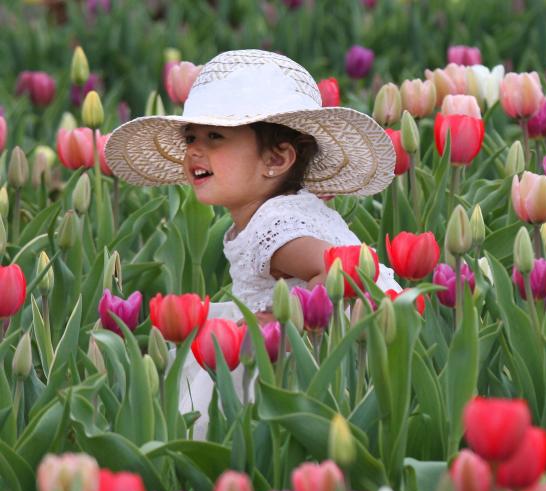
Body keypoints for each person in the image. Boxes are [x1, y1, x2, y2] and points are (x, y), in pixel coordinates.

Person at [105, 49, 400, 439]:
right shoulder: (285, 210)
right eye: (191, 136)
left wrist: (276, 324)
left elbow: (336, 272)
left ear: (276, 160)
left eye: (215, 136)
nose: (195, 149)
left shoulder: (274, 225)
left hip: (321, 352)